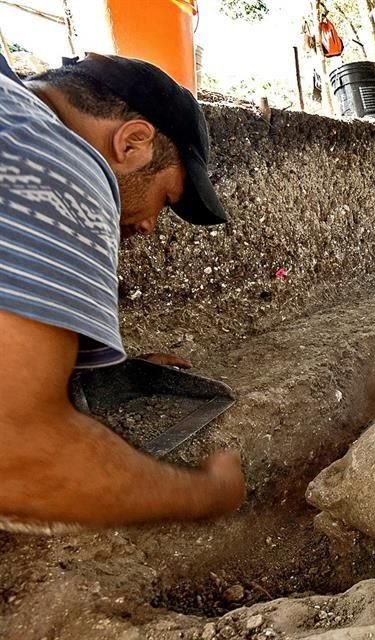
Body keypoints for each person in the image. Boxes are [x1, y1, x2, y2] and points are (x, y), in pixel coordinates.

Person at [0, 52, 245, 532]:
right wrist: (208, 493)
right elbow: (16, 455)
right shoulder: (57, 160)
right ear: (133, 143)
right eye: (166, 197)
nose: (151, 225)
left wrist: (97, 372)